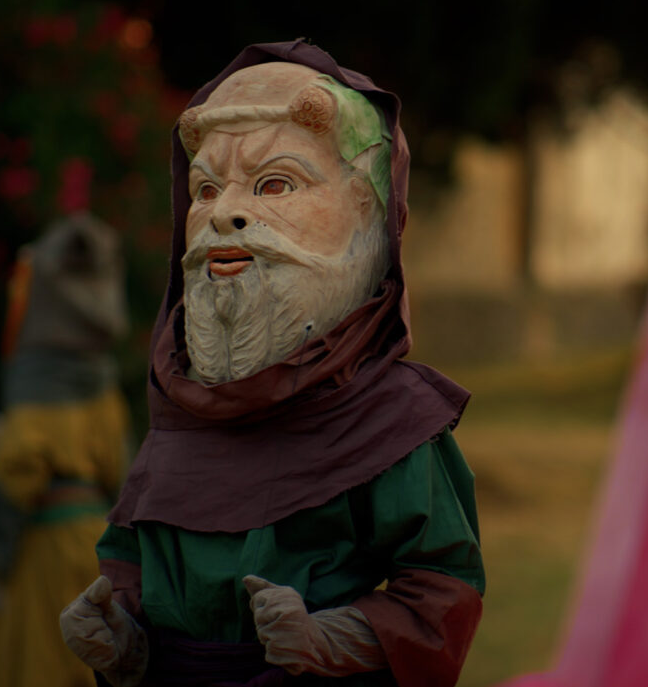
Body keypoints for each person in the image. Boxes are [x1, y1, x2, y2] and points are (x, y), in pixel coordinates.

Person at [59, 41, 484, 687]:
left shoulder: (393, 417)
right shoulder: (181, 406)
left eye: (275, 183)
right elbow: (131, 566)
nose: (223, 213)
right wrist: (120, 637)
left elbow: (441, 589)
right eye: (205, 188)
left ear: (366, 210)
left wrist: (332, 637)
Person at [0, 213, 131, 687]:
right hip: (97, 546)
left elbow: (13, 473)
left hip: (44, 549)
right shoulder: (105, 397)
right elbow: (123, 476)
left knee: (41, 665)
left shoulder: (36, 405)